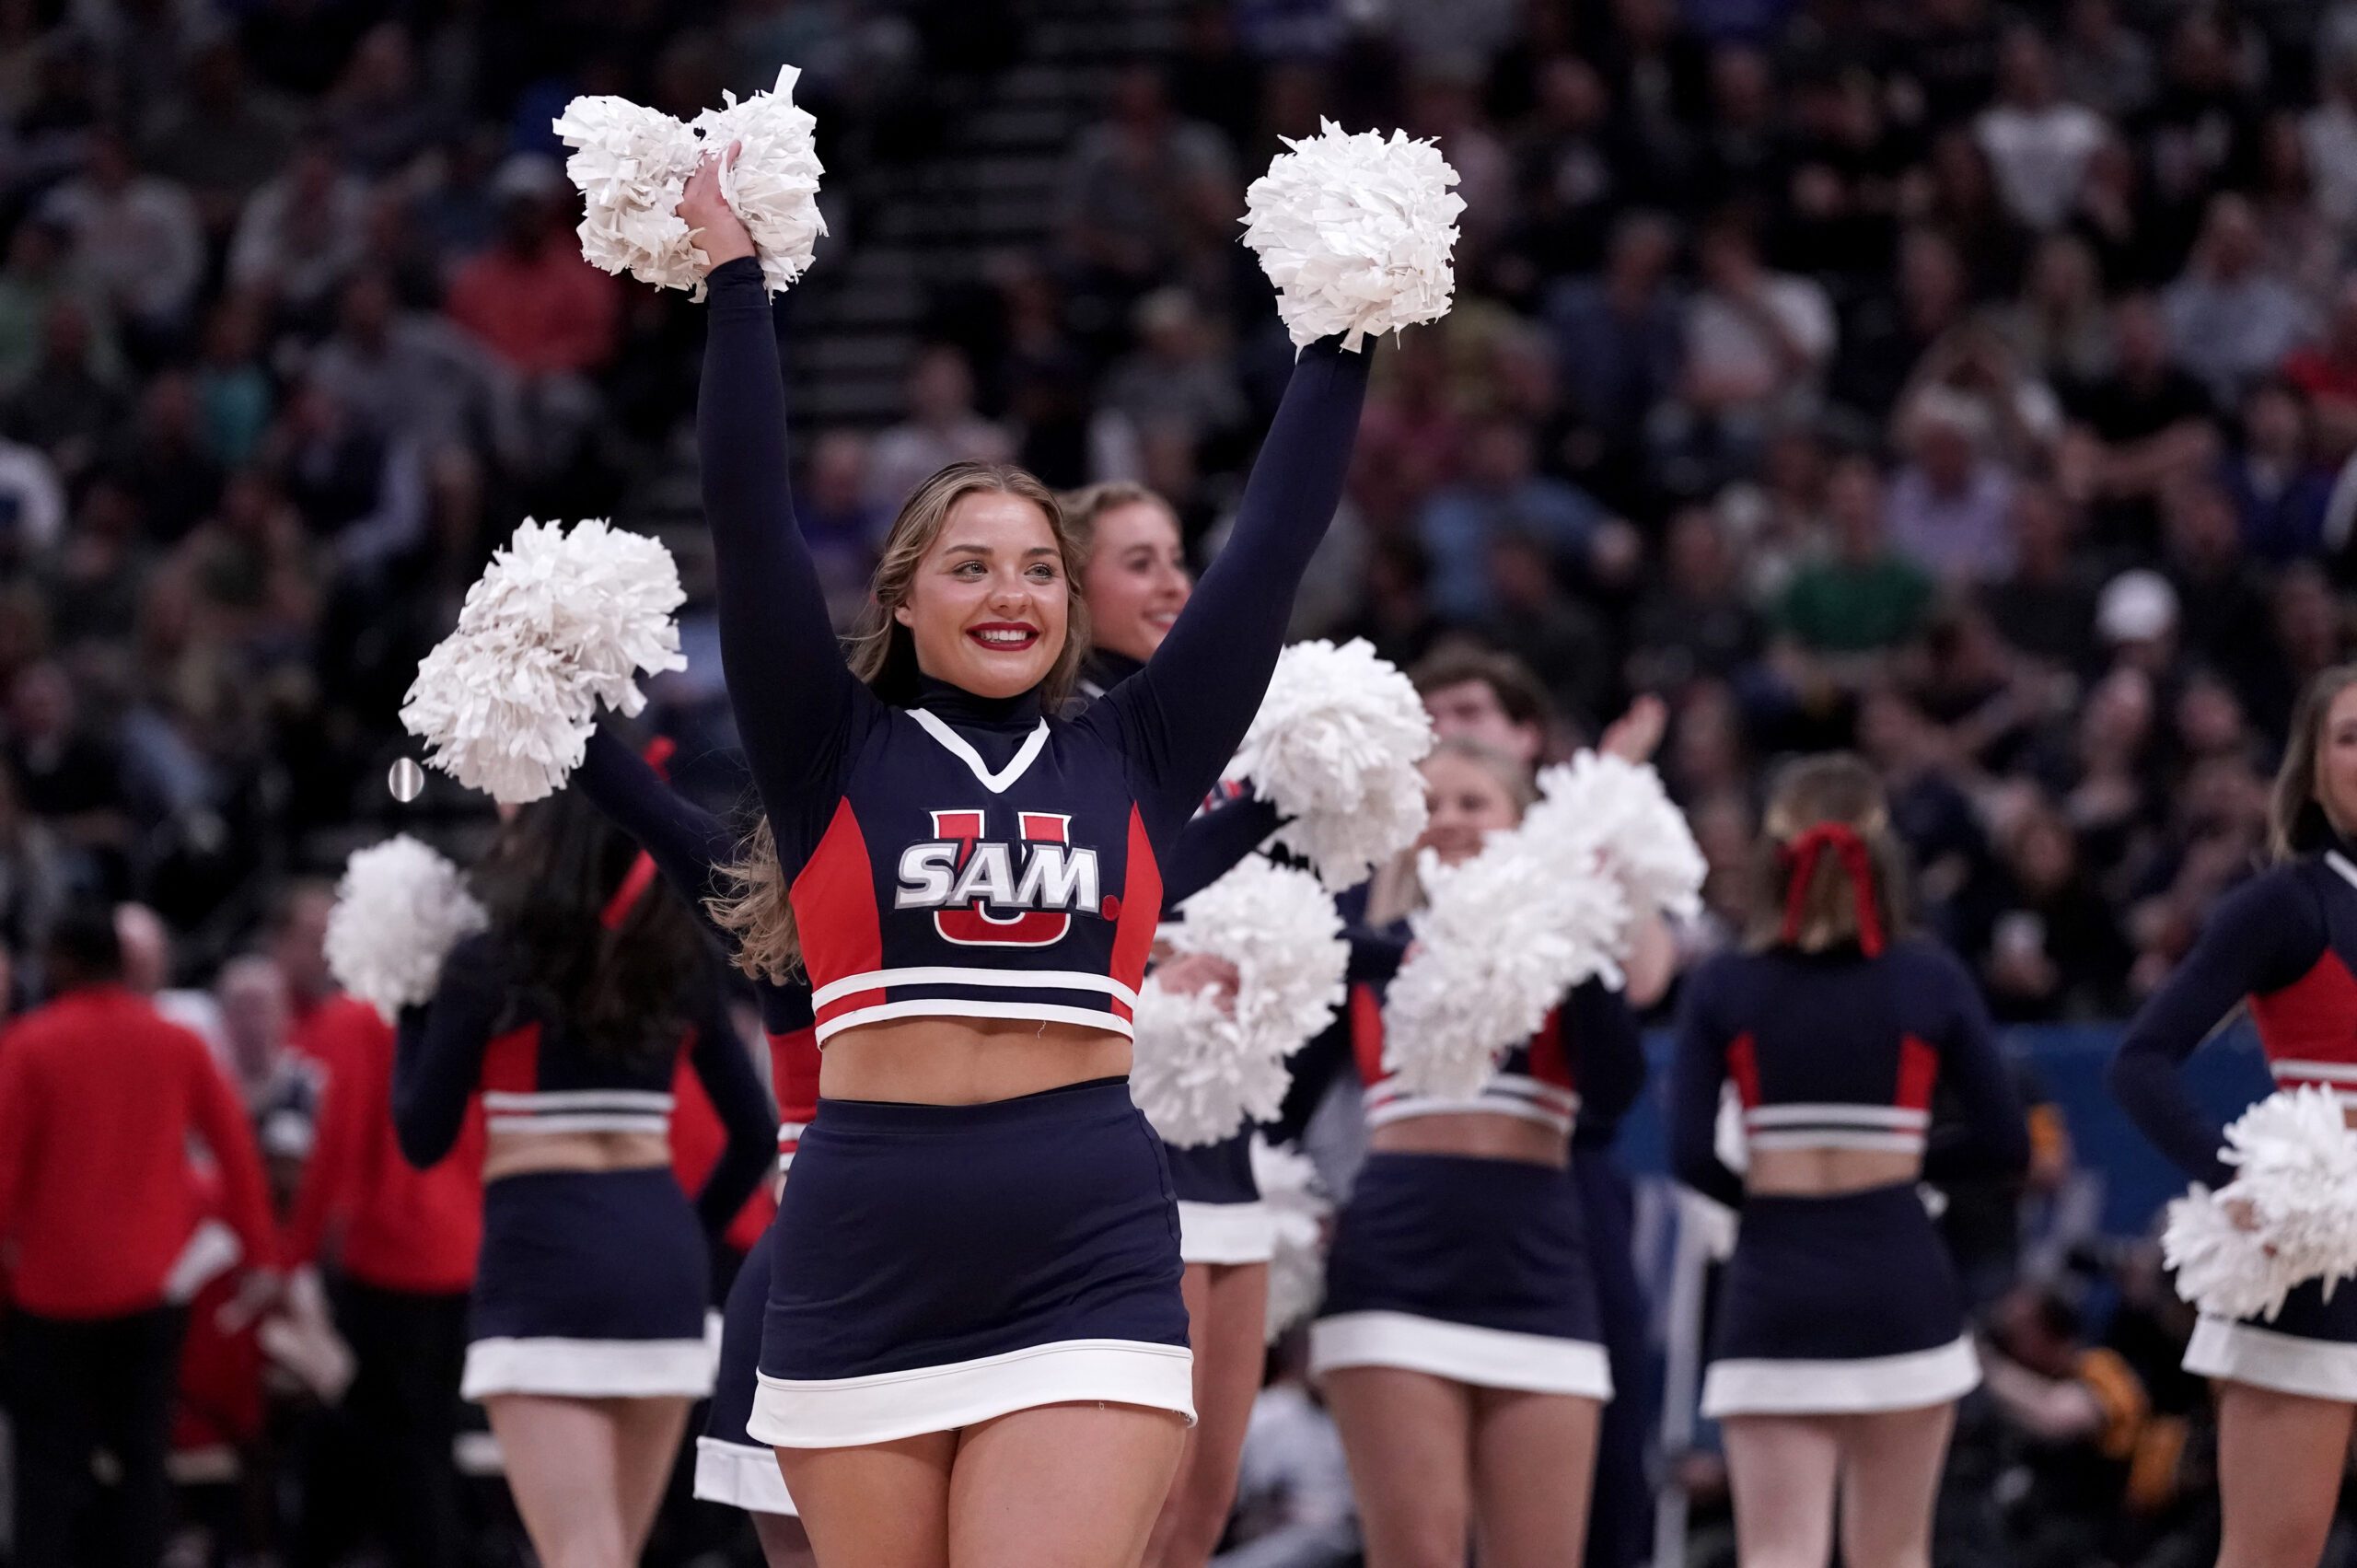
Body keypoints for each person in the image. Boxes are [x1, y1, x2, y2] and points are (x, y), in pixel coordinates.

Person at [679, 135, 1371, 1563]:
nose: (1013, 590)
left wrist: (1352, 315)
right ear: (905, 601)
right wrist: (736, 284)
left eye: (1041, 565)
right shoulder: (830, 749)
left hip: (1086, 1246)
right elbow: (748, 525)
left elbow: (1271, 549)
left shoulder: (1139, 748)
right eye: (971, 564)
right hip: (860, 1239)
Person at [394, 790, 774, 1568]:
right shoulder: (674, 954)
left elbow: (422, 1136)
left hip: (544, 1260)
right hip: (661, 1264)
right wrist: (688, 1234)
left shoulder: (486, 961)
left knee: (579, 1552)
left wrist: (408, 1006)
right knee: (611, 1551)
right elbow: (755, 1132)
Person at [1667, 755, 2027, 1568]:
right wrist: (1902, 1172)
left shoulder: (1724, 982)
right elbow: (2006, 1140)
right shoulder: (1929, 976)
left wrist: (1767, 1203)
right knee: (1895, 1555)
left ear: (1770, 858)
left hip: (1773, 1286)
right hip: (1900, 1276)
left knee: (1778, 1555)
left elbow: (1691, 1153)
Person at [1312, 738, 1644, 1568]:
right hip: (1395, 1265)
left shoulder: (1567, 950)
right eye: (1433, 806)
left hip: (1539, 1266)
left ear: (1523, 824)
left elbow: (1614, 1090)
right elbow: (1279, 1103)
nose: (1452, 823)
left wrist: (1580, 940)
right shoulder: (1360, 947)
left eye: (1475, 803)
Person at [1062, 479, 1287, 1568]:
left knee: (1199, 1518)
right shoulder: (1067, 736)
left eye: (1175, 557)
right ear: (1071, 583)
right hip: (1121, 1150)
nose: (1171, 584)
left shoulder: (1215, 737)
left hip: (1231, 1162)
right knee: (1129, 1518)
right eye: (1137, 561)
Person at [2108, 661, 2357, 1568]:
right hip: (2316, 1255)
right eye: (2349, 736)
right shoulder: (2282, 903)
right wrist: (2237, 1178)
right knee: (2271, 1553)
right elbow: (2139, 1059)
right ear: (2314, 765)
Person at [0, 901, 282, 1568]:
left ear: (60, 962)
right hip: (152, 1289)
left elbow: (5, 1168)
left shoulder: (29, 1045)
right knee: (143, 1463)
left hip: (53, 1294)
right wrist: (261, 1253)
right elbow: (235, 1149)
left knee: (47, 1468)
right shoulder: (177, 1042)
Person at [285, 988, 483, 1568]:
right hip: (465, 1248)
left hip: (389, 1255)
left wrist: (293, 1251)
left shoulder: (353, 1020)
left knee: (391, 1444)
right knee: (426, 1438)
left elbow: (333, 1140)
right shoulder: (473, 1008)